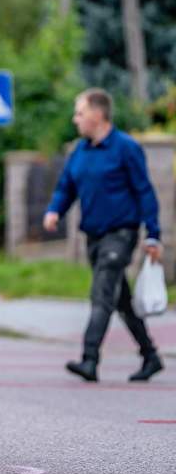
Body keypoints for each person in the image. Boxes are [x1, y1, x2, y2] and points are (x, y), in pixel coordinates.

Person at [43, 88, 164, 382]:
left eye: (80, 113)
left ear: (98, 115)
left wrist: (153, 235)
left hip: (121, 234)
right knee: (120, 297)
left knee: (101, 293)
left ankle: (90, 358)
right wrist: (54, 210)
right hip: (94, 236)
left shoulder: (126, 148)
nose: (76, 119)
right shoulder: (80, 152)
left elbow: (144, 191)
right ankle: (150, 356)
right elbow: (66, 187)